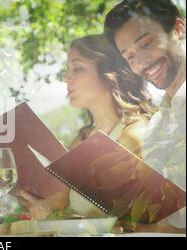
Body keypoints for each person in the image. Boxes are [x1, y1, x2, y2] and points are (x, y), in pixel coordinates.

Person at [16, 34, 157, 223]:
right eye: (68, 69)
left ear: (109, 73)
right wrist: (38, 203)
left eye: (77, 68)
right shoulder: (82, 140)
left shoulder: (135, 137)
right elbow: (65, 201)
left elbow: (137, 223)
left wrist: (52, 217)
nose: (66, 78)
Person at [104, 0, 186, 232]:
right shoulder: (158, 125)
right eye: (129, 56)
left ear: (179, 30)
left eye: (147, 43)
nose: (141, 63)